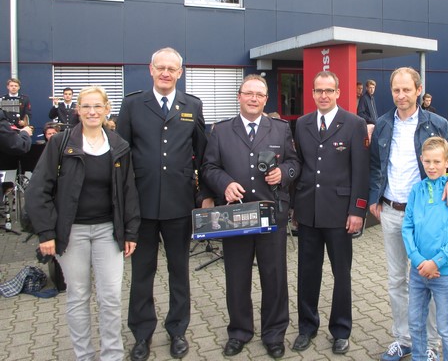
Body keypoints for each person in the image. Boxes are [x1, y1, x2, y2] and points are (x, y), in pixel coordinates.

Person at [26, 85, 140, 361]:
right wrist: (46, 233)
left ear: (106, 109)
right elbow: (38, 189)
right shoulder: (60, 143)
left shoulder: (119, 145)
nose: (92, 111)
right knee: (78, 295)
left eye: (97, 106)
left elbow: (128, 191)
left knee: (110, 297)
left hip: (108, 232)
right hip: (71, 232)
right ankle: (84, 356)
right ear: (78, 110)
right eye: (86, 106)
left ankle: (112, 355)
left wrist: (131, 231)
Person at [369, 67, 448, 361]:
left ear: (418, 90)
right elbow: (375, 165)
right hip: (391, 211)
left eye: (407, 90)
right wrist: (374, 198)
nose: (401, 95)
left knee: (430, 276)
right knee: (397, 280)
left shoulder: (437, 123)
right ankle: (404, 339)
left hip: (426, 217)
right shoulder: (383, 124)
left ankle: (432, 344)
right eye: (396, 90)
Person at [117, 47, 208, 361]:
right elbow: (121, 156)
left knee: (178, 271)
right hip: (141, 204)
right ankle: (141, 334)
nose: (166, 73)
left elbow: (203, 154)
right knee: (142, 273)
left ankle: (177, 330)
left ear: (180, 73)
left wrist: (203, 195)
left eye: (172, 69)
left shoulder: (192, 105)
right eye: (161, 68)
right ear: (151, 70)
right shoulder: (132, 104)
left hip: (179, 204)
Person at [200, 74, 300, 359]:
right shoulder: (221, 131)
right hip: (237, 215)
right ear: (239, 97)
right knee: (237, 276)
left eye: (259, 94)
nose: (254, 98)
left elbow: (294, 162)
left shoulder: (281, 129)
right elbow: (208, 168)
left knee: (274, 277)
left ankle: (274, 334)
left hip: (272, 214)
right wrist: (225, 184)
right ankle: (239, 332)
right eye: (248, 93)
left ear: (266, 99)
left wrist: (284, 173)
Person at [291, 71, 369, 355]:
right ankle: (307, 327)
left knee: (341, 275)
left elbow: (361, 171)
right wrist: (294, 206)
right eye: (318, 90)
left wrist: (357, 210)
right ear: (312, 93)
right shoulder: (301, 124)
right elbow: (299, 165)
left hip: (340, 213)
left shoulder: (354, 124)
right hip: (308, 212)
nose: (323, 95)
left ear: (338, 92)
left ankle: (340, 330)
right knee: (307, 273)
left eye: (328, 90)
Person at [402, 137, 448, 361]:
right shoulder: (416, 190)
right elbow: (407, 226)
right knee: (415, 323)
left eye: (437, 162)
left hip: (443, 273)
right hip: (418, 271)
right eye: (427, 161)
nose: (431, 167)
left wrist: (437, 262)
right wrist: (418, 259)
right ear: (421, 159)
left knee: (446, 327)